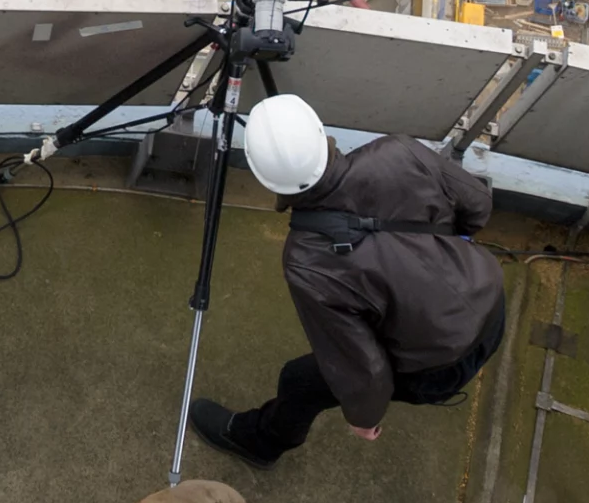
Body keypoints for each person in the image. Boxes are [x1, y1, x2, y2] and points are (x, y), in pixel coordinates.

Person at [188, 95, 507, 468]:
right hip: (491, 304)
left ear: (264, 177)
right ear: (320, 132)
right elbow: (478, 205)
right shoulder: (399, 150)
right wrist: (445, 250)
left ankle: (260, 443)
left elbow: (362, 363)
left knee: (299, 380)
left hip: (441, 366)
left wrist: (365, 416)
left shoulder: (307, 259)